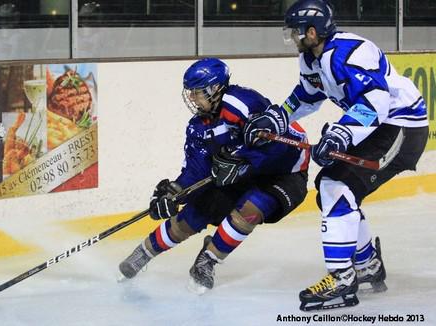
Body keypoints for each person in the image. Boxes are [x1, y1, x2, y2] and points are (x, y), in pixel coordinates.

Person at [244, 0, 429, 311]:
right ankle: (367, 265)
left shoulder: (349, 52)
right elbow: (306, 96)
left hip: (402, 126)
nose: (293, 38)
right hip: (379, 127)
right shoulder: (311, 58)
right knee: (331, 187)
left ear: (312, 32)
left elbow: (375, 102)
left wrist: (341, 134)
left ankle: (343, 278)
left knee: (336, 186)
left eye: (296, 33)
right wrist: (276, 118)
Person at [117, 58, 310, 293]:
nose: (192, 98)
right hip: (244, 173)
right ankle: (142, 254)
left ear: (215, 89)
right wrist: (175, 192)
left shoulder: (242, 103)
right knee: (195, 213)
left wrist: (244, 161)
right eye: (190, 92)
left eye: (197, 92)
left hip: (285, 172)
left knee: (251, 208)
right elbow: (196, 171)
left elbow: (278, 147)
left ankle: (208, 261)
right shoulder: (198, 127)